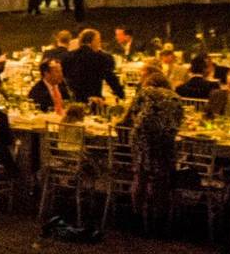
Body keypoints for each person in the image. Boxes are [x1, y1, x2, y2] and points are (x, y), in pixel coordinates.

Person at [123, 72, 184, 236]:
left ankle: (137, 219)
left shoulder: (145, 92)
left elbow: (128, 118)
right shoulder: (176, 98)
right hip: (165, 141)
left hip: (143, 138)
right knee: (161, 180)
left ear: (149, 83)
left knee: (140, 177)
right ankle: (159, 222)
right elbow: (178, 123)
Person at [62, 28, 125, 103]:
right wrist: (121, 94)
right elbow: (111, 78)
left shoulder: (68, 56)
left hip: (74, 100)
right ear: (92, 42)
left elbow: (63, 78)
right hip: (95, 100)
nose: (99, 44)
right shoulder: (101, 57)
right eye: (98, 41)